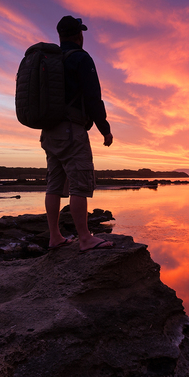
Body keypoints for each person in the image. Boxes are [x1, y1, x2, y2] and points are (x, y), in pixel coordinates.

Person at [42, 15, 114, 251]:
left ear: (60, 36)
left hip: (49, 130)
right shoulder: (81, 59)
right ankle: (85, 238)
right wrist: (105, 129)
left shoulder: (50, 61)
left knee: (54, 184)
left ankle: (55, 237)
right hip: (72, 130)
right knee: (79, 184)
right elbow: (93, 98)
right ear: (78, 35)